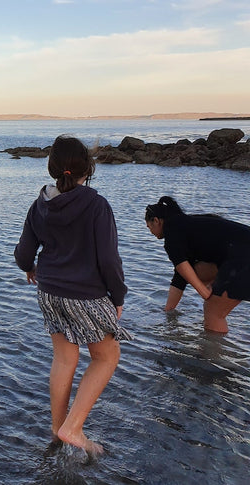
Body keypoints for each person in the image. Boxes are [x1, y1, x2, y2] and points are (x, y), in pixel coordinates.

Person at [14, 135, 131, 456]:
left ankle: (57, 430)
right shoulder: (96, 205)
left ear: (53, 169)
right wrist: (118, 296)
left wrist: (29, 267)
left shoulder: (39, 205)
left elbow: (24, 253)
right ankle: (73, 427)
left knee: (65, 357)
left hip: (49, 291)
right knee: (106, 357)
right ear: (87, 170)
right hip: (86, 294)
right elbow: (109, 259)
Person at [144, 196, 250, 334]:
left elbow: (182, 266)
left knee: (213, 312)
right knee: (195, 271)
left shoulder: (171, 233)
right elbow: (181, 275)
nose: (150, 232)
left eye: (149, 227)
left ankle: (211, 355)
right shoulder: (191, 225)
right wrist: (169, 312)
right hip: (237, 256)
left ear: (156, 221)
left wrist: (205, 293)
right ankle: (217, 290)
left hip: (243, 261)